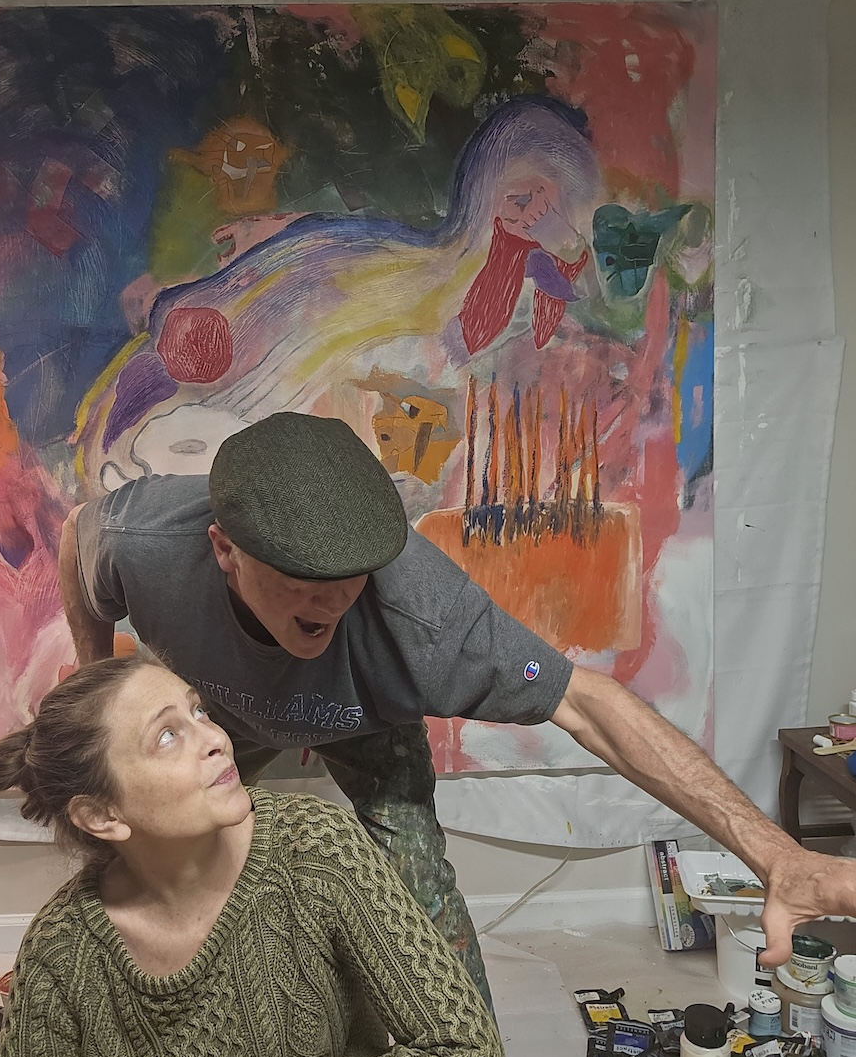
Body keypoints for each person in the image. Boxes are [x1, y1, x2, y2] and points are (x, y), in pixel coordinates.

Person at [59, 411, 856, 1018]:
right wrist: (96, 683)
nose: (330, 601)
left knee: (422, 903)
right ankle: (106, 1017)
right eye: (300, 578)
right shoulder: (143, 538)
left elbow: (590, 703)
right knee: (143, 847)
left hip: (366, 720)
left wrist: (776, 853)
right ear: (224, 549)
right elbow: (75, 541)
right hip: (224, 716)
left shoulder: (429, 622)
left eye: (350, 576)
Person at [0, 655, 505, 1057]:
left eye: (198, 711)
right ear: (102, 815)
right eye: (167, 736)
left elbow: (468, 1055)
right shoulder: (61, 950)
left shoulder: (317, 848)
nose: (215, 739)